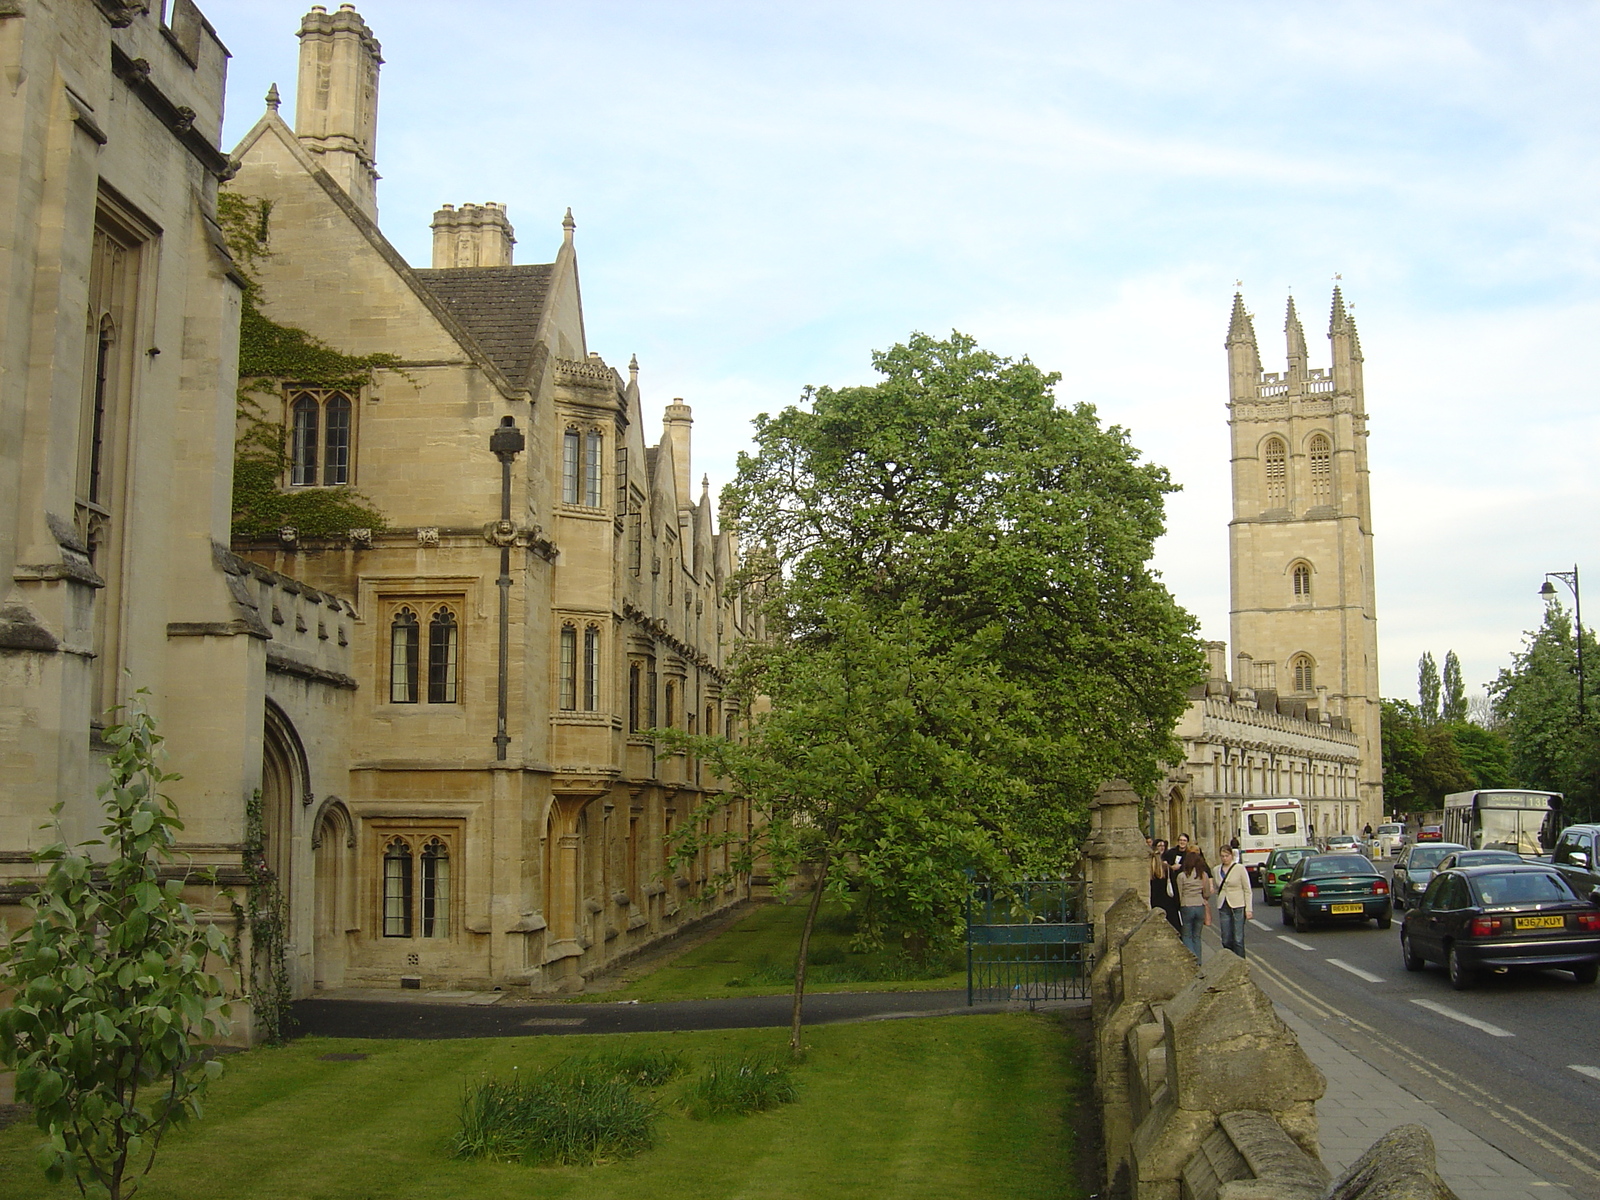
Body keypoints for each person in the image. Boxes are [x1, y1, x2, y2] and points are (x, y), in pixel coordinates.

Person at [1212, 844, 1252, 957]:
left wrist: (1248, 909)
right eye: (1222, 856)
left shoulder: (1240, 868)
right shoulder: (1216, 870)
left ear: (1232, 855)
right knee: (1226, 939)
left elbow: (1247, 890)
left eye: (1227, 856)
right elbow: (1216, 888)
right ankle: (1230, 961)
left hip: (1238, 905)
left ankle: (1240, 964)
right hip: (1223, 905)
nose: (1224, 858)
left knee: (1238, 939)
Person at [1174, 848, 1213, 961]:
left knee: (1186, 935)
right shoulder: (1203, 875)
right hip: (1199, 905)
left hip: (1186, 905)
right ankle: (1199, 961)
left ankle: (1192, 960)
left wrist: (1181, 906)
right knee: (1197, 936)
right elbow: (1206, 892)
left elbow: (1179, 893)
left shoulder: (1181, 876)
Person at [1149, 839, 1180, 931]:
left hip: (1154, 903)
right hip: (1168, 903)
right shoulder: (1167, 869)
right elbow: (1174, 888)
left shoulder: (1148, 871)